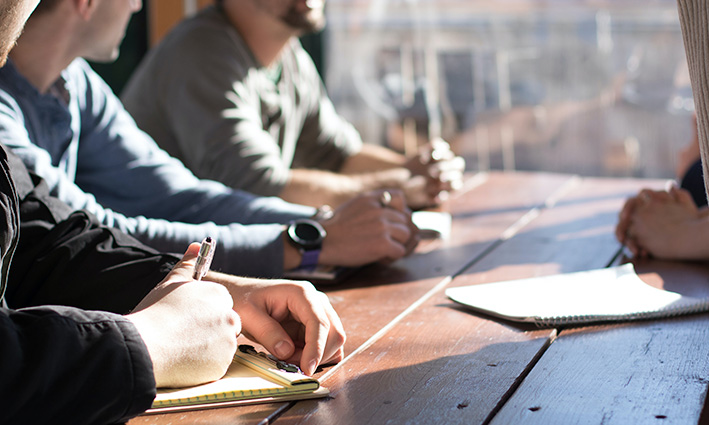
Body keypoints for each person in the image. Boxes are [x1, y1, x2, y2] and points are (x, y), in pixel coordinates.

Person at [0, 3, 345, 422]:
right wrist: (151, 340)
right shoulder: (203, 48)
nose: (136, 4)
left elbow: (47, 240)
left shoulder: (75, 83)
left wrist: (209, 286)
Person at [0, 0, 418, 280]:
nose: (136, 5)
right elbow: (96, 235)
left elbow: (181, 196)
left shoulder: (75, 82)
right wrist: (308, 242)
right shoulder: (5, 115)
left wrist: (319, 225)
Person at [121, 0, 465, 210]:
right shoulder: (201, 52)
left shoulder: (288, 54)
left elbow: (338, 155)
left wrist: (417, 170)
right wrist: (398, 188)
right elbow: (259, 187)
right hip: (165, 268)